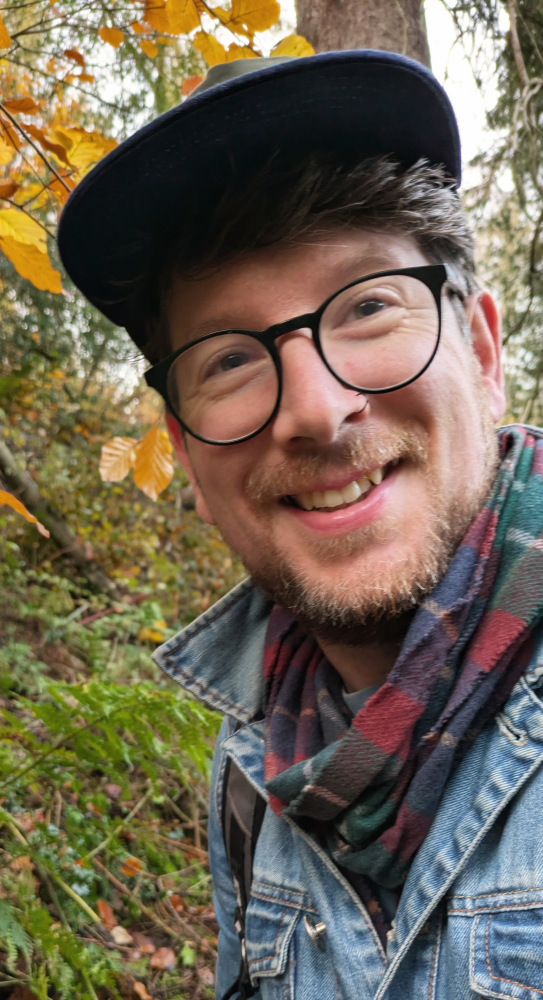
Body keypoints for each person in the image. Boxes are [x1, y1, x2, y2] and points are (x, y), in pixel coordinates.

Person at [58, 51, 543, 1000]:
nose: (316, 412)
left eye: (367, 306)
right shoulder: (251, 772)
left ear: (481, 349)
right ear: (187, 451)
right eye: (230, 359)